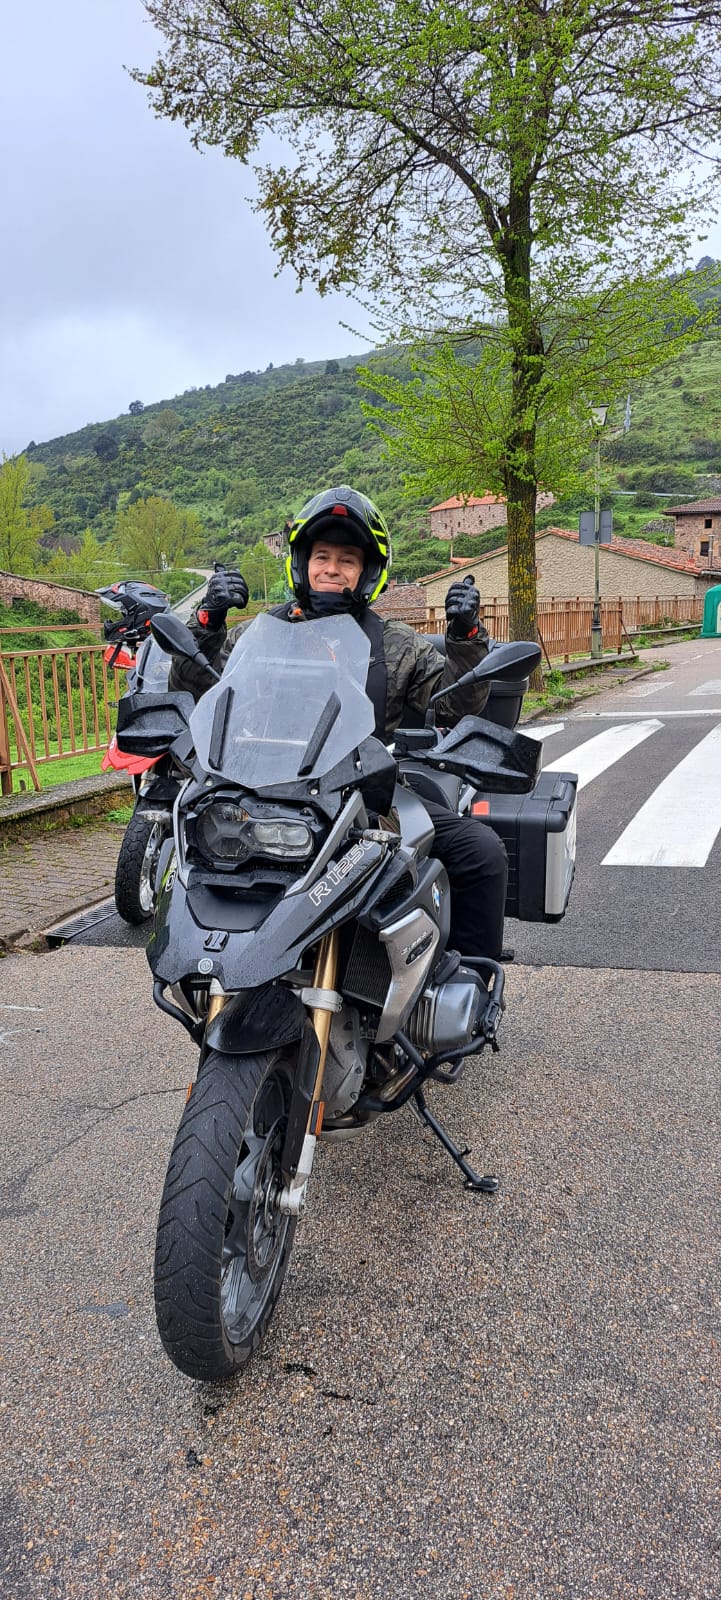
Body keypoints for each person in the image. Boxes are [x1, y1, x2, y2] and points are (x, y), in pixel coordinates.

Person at [172, 486, 508, 960]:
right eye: (322, 556)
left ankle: (473, 976)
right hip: (261, 792)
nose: (332, 568)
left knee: (482, 852)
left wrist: (466, 638)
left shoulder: (394, 643)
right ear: (302, 564)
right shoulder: (258, 634)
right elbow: (198, 689)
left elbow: (455, 706)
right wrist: (208, 623)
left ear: (367, 572)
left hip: (367, 796)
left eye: (347, 560)